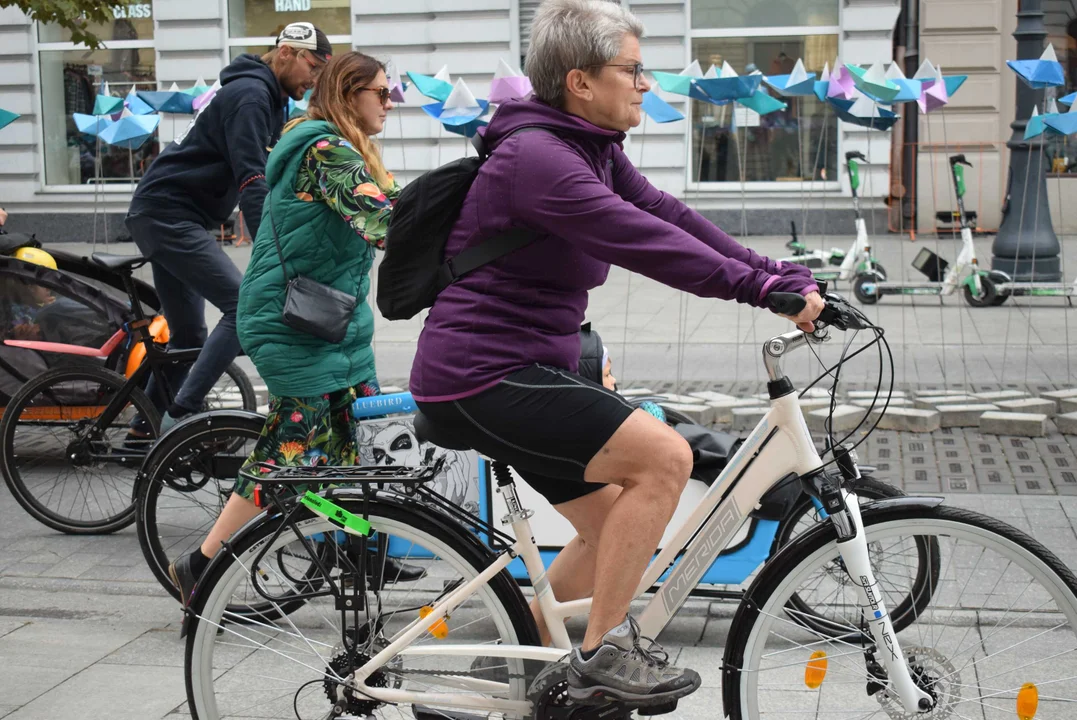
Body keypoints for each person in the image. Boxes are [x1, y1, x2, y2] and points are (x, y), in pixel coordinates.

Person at [409, 0, 822, 708]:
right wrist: (760, 291)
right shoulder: (538, 160)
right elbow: (641, 241)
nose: (643, 83)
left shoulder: (584, 146)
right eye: (631, 69)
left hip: (525, 367)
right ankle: (603, 653)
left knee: (611, 530)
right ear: (579, 80)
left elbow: (669, 214)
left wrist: (774, 273)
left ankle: (520, 666)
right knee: (665, 459)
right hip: (481, 376)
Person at [166, 51, 426, 602]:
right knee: (294, 447)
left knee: (359, 439)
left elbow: (400, 204)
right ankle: (201, 562)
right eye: (380, 93)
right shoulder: (324, 149)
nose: (388, 103)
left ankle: (361, 550)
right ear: (347, 93)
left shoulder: (352, 151)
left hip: (333, 321)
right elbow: (383, 219)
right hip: (289, 320)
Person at [124, 22, 332, 436]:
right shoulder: (251, 96)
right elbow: (252, 180)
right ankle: (183, 418)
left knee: (189, 335)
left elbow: (272, 176)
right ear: (287, 52)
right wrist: (272, 252)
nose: (315, 80)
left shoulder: (271, 99)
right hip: (167, 214)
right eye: (314, 67)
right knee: (242, 307)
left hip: (175, 215)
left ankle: (141, 430)